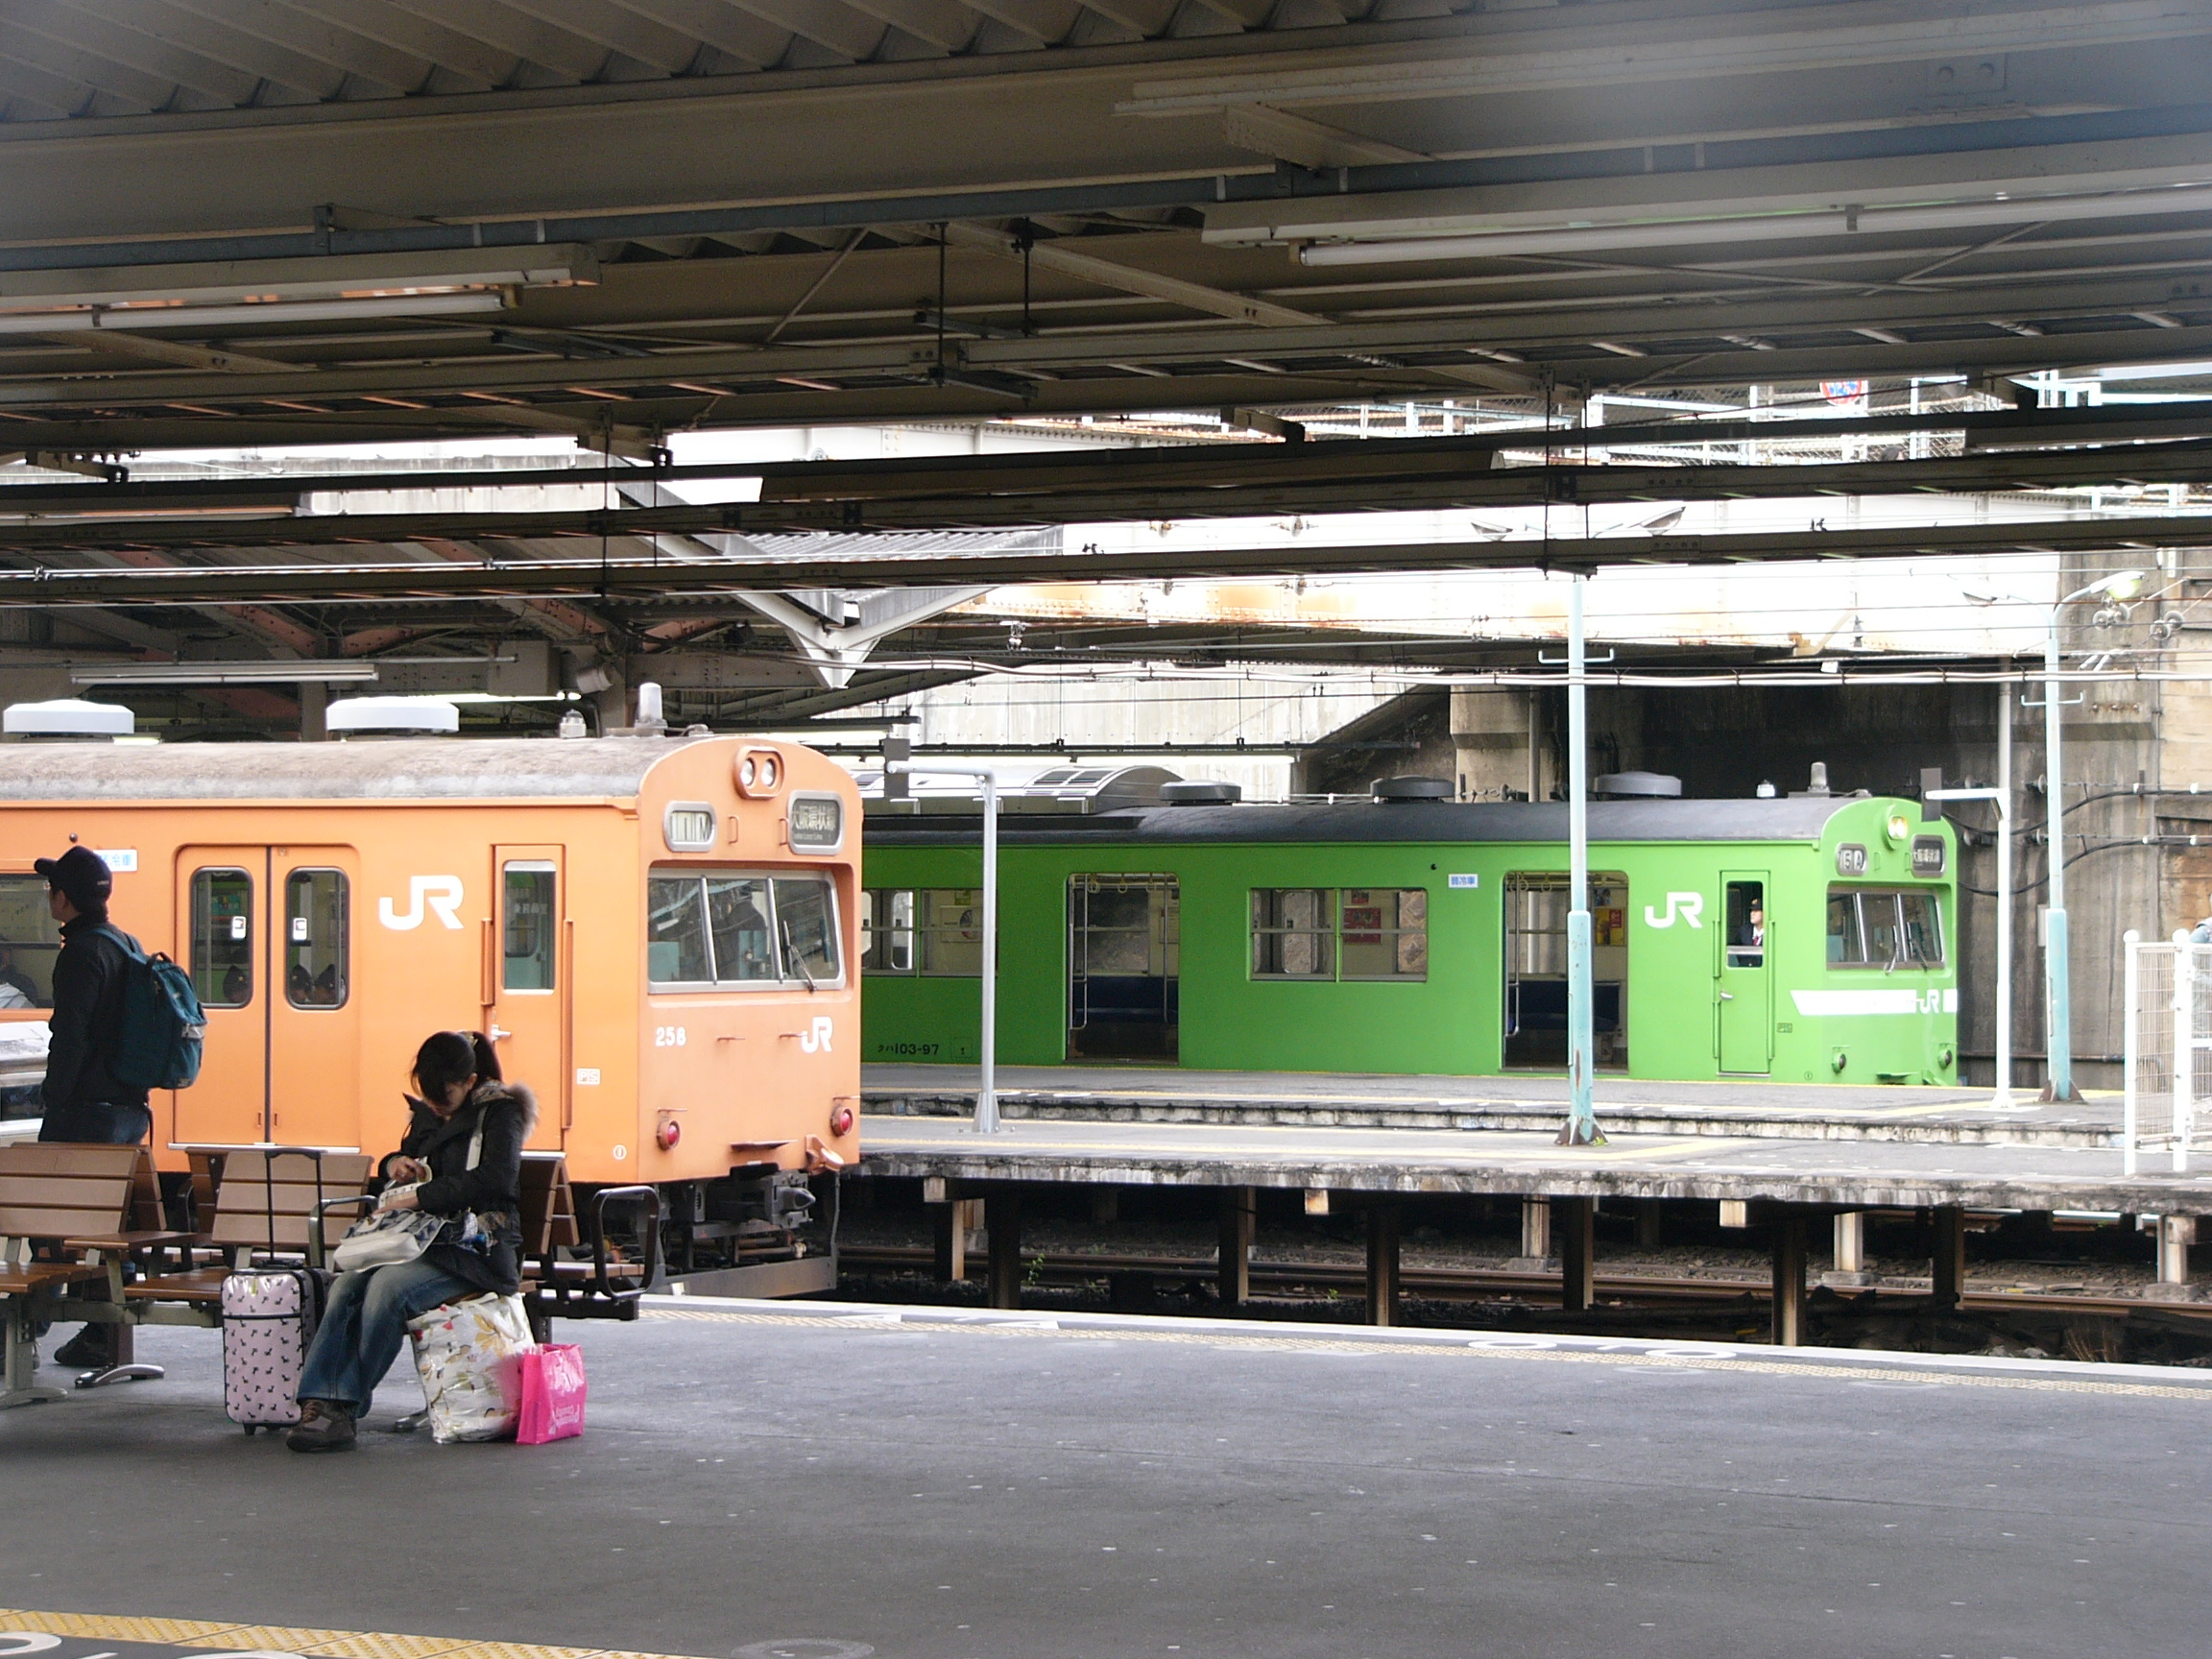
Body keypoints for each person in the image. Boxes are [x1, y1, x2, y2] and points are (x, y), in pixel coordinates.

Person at [288, 1030, 536, 1453]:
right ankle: (320, 1400)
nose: (437, 1105)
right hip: (418, 1242)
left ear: (470, 1081)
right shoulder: (430, 1116)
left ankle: (342, 1409)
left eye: (446, 1097)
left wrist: (423, 1195)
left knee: (387, 1289)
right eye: (430, 1096)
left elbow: (496, 1180)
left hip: (475, 1251)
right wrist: (395, 1165)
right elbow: (407, 1157)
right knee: (347, 1284)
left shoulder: (500, 1114)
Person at [35, 846, 149, 1370]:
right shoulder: (126, 944)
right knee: (105, 1224)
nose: (49, 896)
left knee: (44, 1213)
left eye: (52, 889)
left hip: (86, 1112)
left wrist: (53, 1100)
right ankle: (101, 1331)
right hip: (128, 1108)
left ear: (65, 899)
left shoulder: (80, 953)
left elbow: (70, 1036)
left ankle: (26, 1326)